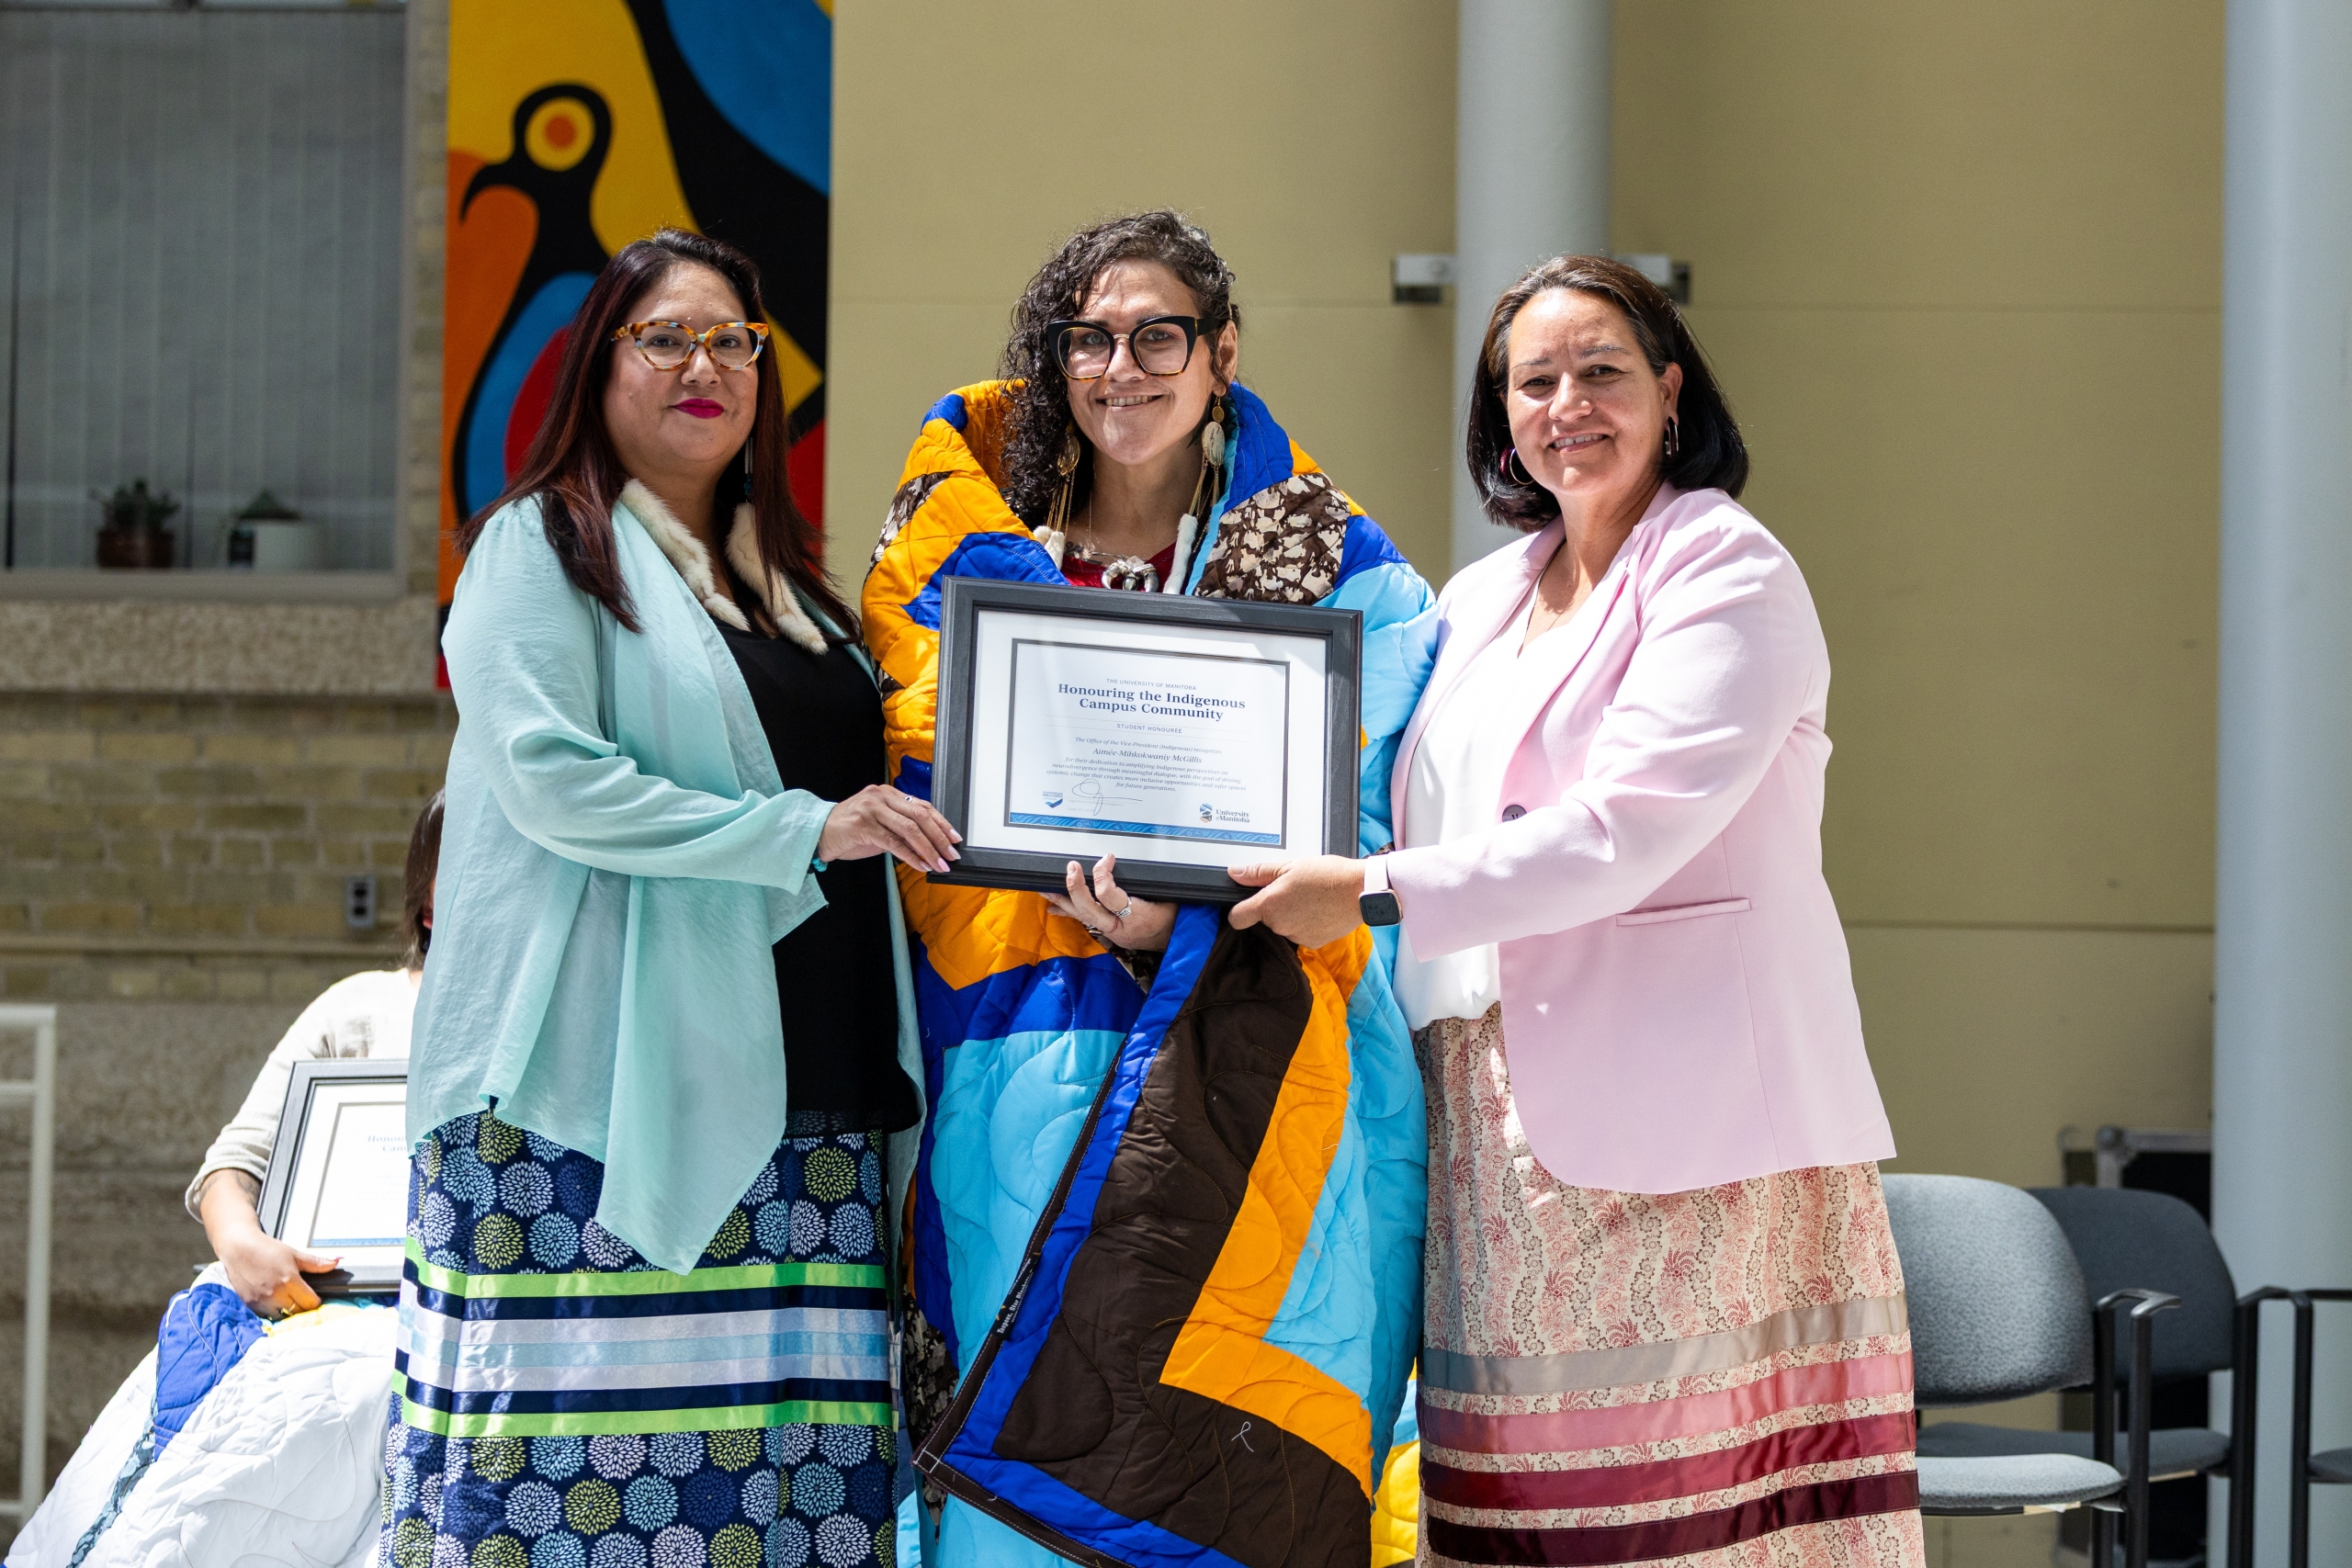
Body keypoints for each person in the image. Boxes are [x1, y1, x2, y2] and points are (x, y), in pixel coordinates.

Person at [1227, 256, 1923, 1566]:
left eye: (1600, 369)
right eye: (1531, 380)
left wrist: (1361, 894)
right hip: (1487, 1123)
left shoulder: (1726, 567)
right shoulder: (1485, 594)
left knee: (1700, 1526)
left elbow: (1625, 831)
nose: (1566, 403)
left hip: (1698, 1135)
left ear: (1669, 390)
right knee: (1512, 1507)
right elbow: (1388, 786)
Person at [865, 210, 1437, 1568]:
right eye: (1092, 337)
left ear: (1221, 350)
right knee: (1017, 1429)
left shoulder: (1342, 568)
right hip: (1005, 1055)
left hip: (1225, 1063)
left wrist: (1192, 923)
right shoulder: (961, 546)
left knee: (1190, 1442)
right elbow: (903, 737)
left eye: (1159, 334)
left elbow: (1369, 824)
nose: (1124, 366)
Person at [389, 230, 955, 1568]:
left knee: (788, 1508)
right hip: (588, 1105)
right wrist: (806, 823)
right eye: (665, 338)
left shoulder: (797, 594)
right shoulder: (538, 548)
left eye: (732, 341)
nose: (703, 365)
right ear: (598, 367)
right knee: (571, 1496)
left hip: (804, 1108)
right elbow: (553, 781)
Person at [188, 792, 443, 1316]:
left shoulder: (584, 1017)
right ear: (427, 905)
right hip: (343, 1315)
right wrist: (241, 1245)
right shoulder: (357, 1010)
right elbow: (236, 1163)